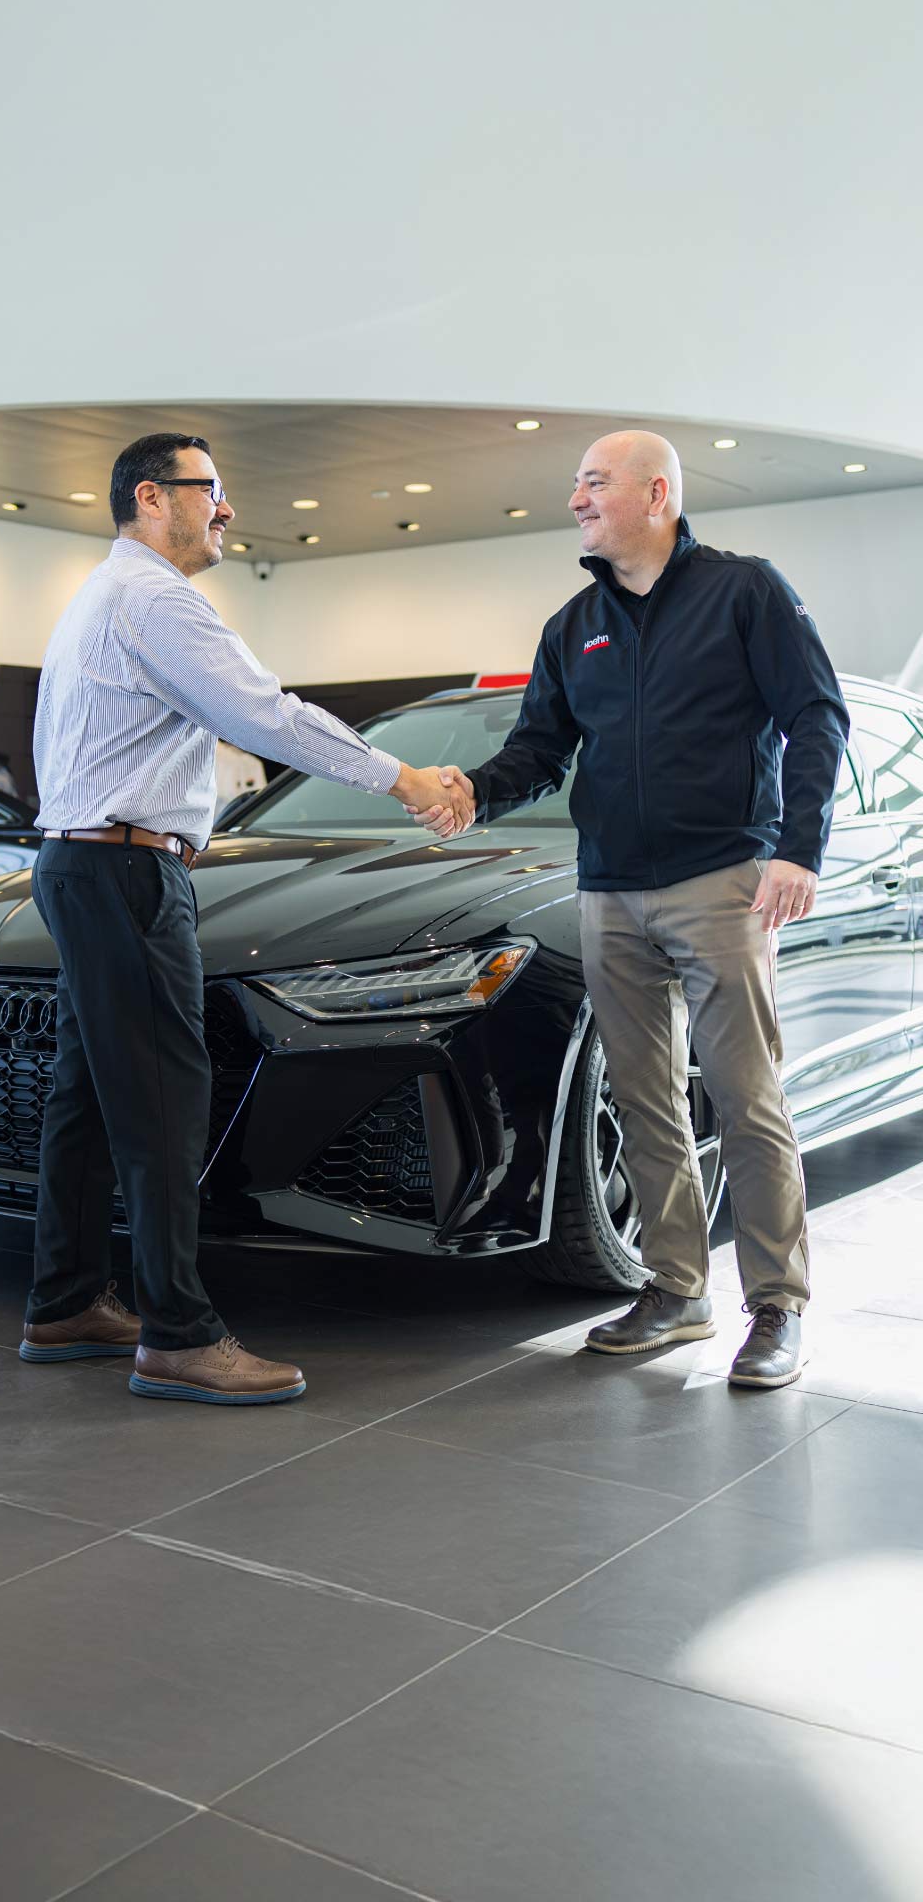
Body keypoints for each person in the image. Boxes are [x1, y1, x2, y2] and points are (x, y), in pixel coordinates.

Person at [21, 431, 472, 1405]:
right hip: (126, 869)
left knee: (89, 1098)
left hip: (82, 862)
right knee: (164, 1101)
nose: (226, 508)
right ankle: (178, 1335)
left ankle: (66, 1302)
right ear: (151, 497)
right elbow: (263, 714)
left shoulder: (103, 595)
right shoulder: (154, 599)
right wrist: (403, 778)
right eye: (209, 489)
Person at [413, 430, 849, 1390]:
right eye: (576, 483)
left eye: (594, 482)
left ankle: (778, 1307)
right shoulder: (575, 626)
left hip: (722, 882)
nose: (576, 499)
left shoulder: (745, 591)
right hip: (609, 890)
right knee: (646, 1102)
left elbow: (816, 714)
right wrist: (473, 792)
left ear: (656, 494)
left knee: (745, 1098)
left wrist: (797, 850)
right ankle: (677, 1289)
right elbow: (538, 752)